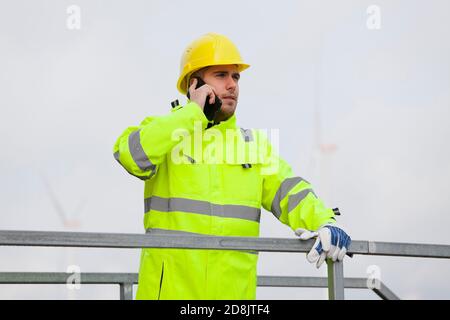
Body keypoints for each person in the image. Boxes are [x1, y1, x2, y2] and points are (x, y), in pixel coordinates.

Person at [113, 32, 351, 300]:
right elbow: (130, 156)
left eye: (235, 77)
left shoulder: (252, 145)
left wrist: (325, 221)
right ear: (195, 84)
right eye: (221, 75)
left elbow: (290, 191)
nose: (232, 85)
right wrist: (192, 114)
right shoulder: (167, 133)